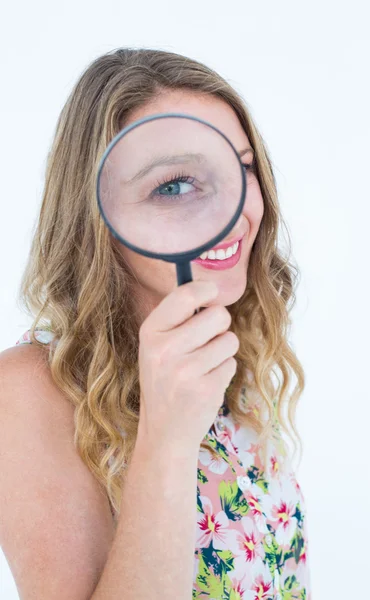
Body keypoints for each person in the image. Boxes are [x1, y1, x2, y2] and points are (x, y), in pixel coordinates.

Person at [0, 47, 311, 599]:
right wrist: (167, 439)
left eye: (240, 168)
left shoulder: (236, 347)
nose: (233, 212)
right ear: (97, 215)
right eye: (174, 185)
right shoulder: (29, 390)